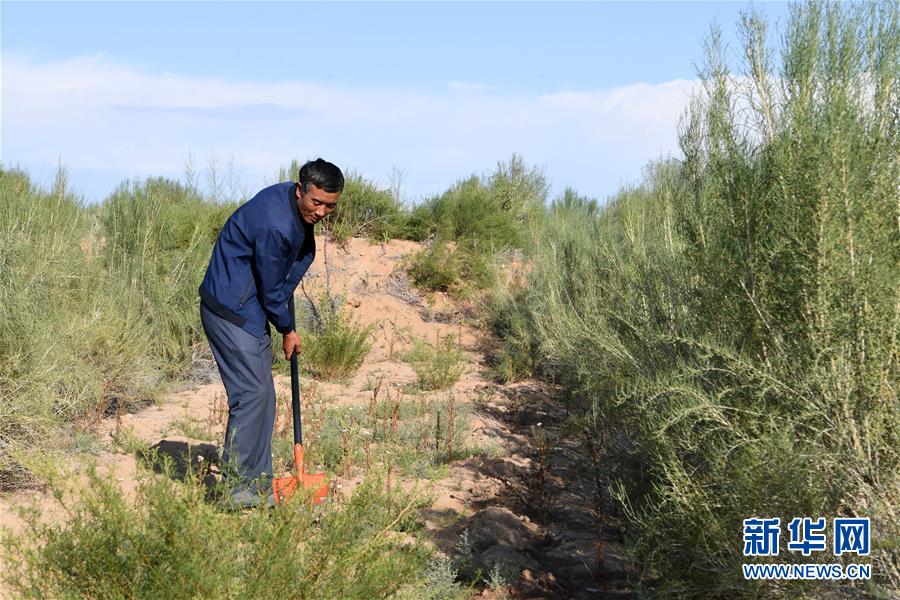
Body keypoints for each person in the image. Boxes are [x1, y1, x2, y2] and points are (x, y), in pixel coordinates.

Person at [198, 158, 343, 509]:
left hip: (246, 306)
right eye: (316, 203)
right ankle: (237, 489)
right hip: (231, 309)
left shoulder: (289, 206)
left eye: (330, 205)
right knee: (252, 395)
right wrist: (288, 329)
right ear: (300, 191)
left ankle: (256, 483)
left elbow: (276, 281)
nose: (322, 212)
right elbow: (271, 286)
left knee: (263, 396)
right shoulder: (277, 224)